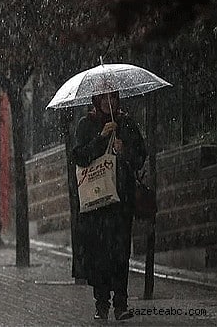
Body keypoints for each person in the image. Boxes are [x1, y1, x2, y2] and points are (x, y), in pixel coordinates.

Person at [72, 90, 146, 321]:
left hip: (121, 201)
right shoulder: (87, 124)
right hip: (96, 204)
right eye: (103, 98)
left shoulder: (125, 123)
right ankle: (101, 303)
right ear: (96, 101)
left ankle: (121, 304)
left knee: (121, 253)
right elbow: (80, 157)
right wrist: (101, 138)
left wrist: (126, 151)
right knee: (99, 254)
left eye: (112, 98)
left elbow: (140, 157)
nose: (108, 102)